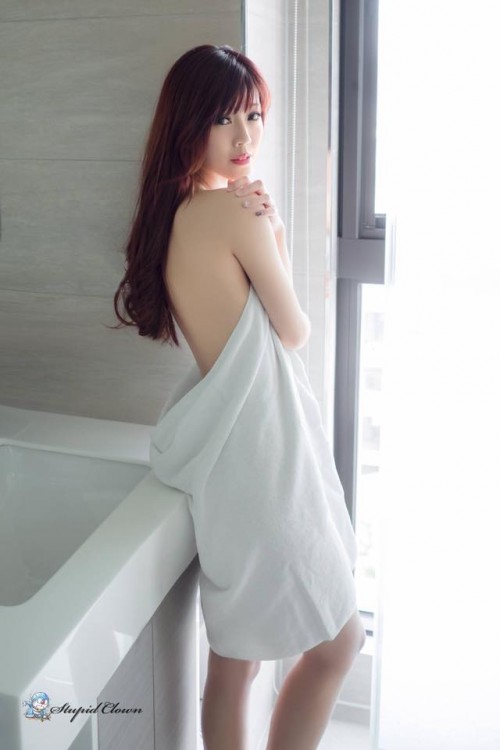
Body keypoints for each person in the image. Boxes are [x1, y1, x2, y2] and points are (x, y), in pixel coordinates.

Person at [113, 44, 366, 750]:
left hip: (233, 466)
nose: (245, 135)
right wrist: (273, 229)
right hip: (267, 459)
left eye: (253, 115)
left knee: (236, 659)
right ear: (188, 123)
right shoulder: (232, 213)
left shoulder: (174, 217)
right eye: (224, 118)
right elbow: (295, 330)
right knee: (338, 643)